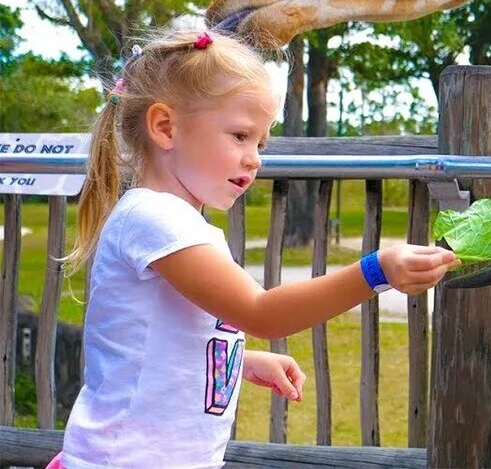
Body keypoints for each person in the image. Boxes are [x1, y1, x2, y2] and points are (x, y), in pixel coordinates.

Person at [55, 29, 459, 469]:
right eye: (240, 136)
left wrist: (241, 361)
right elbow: (259, 312)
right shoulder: (155, 219)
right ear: (165, 127)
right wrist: (374, 272)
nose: (255, 158)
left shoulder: (176, 222)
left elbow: (161, 341)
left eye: (260, 143)